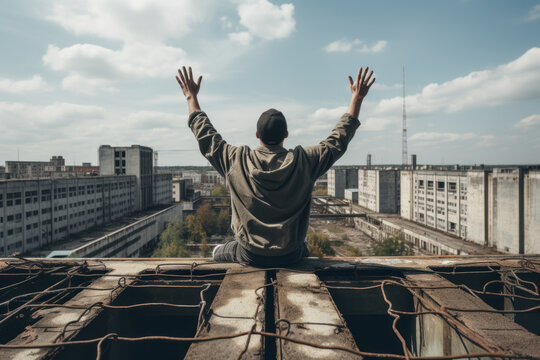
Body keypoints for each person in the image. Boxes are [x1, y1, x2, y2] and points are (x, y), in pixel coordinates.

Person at [175, 66, 375, 266]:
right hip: (291, 254)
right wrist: (356, 98)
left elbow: (206, 136)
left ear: (257, 135)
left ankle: (221, 251)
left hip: (249, 254)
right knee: (304, 244)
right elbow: (337, 140)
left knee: (219, 252)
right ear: (286, 134)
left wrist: (191, 98)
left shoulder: (236, 159)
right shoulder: (304, 161)